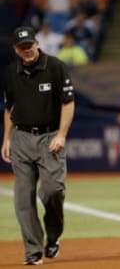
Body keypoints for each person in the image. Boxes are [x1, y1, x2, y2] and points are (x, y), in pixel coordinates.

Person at [1, 26, 75, 265]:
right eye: (22, 47)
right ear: (16, 49)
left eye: (30, 45)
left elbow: (68, 103)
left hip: (49, 137)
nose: (27, 50)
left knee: (53, 190)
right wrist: (7, 139)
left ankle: (52, 236)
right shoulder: (11, 72)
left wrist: (62, 135)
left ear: (37, 43)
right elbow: (9, 108)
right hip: (21, 138)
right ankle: (33, 251)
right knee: (23, 198)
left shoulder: (55, 67)